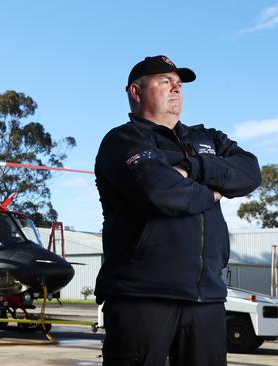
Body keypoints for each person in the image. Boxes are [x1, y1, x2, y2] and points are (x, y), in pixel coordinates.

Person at [94, 55, 262, 366]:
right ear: (136, 91)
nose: (176, 89)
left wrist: (194, 167)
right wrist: (214, 190)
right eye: (164, 82)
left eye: (179, 84)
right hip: (142, 296)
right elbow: (161, 192)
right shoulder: (122, 140)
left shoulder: (207, 138)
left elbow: (250, 173)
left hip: (206, 297)